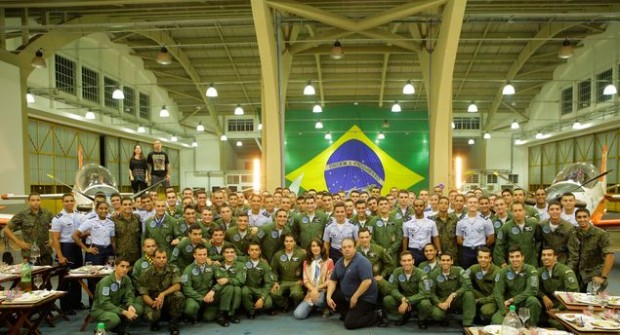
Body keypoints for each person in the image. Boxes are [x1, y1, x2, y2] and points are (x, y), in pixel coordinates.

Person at [326, 238, 385, 329]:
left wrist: (355, 296)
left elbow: (367, 282)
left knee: (350, 324)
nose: (347, 249)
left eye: (349, 246)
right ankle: (350, 314)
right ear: (341, 250)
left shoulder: (362, 261)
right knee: (331, 295)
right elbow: (333, 280)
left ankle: (376, 315)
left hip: (364, 298)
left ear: (355, 248)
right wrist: (328, 297)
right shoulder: (339, 262)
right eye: (344, 247)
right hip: (348, 296)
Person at [137, 248, 185, 335]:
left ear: (167, 258)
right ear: (153, 259)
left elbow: (177, 286)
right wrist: (153, 303)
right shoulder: (146, 273)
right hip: (154, 300)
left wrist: (162, 294)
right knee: (151, 317)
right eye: (158, 257)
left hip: (168, 298)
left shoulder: (173, 269)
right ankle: (156, 321)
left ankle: (174, 324)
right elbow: (144, 293)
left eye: (164, 257)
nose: (161, 260)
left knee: (178, 295)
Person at [51, 193, 84, 314]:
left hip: (77, 247)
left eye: (71, 200)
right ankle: (65, 307)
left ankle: (76, 303)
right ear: (62, 202)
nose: (69, 203)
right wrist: (60, 255)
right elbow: (55, 238)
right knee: (65, 278)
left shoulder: (79, 215)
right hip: (65, 248)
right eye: (66, 201)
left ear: (74, 201)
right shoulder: (58, 218)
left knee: (77, 276)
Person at [491, 246, 541, 326]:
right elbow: (498, 293)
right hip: (508, 306)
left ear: (522, 257)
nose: (515, 259)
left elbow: (532, 290)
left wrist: (513, 300)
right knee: (497, 322)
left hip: (524, 305)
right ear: (509, 258)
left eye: (517, 256)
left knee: (533, 300)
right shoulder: (503, 272)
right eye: (512, 257)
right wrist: (504, 310)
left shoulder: (531, 270)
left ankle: (530, 328)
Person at [567, 208, 614, 292]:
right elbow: (572, 255)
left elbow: (610, 256)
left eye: (585, 217)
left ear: (589, 218)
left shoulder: (601, 234)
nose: (582, 219)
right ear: (576, 219)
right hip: (580, 270)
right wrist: (568, 272)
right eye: (579, 217)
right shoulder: (573, 233)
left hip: (596, 270)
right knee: (575, 297)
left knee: (596, 299)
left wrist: (603, 277)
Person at [91, 257, 142, 335]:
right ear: (115, 266)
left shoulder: (126, 279)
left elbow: (129, 295)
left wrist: (130, 305)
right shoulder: (106, 281)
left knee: (137, 309)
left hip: (116, 306)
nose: (125, 269)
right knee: (114, 319)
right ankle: (98, 331)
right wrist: (124, 312)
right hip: (101, 308)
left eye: (127, 267)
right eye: (122, 266)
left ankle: (120, 330)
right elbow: (104, 303)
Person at [383, 251, 433, 328]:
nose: (407, 263)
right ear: (400, 262)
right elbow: (392, 288)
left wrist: (408, 301)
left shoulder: (421, 273)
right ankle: (403, 315)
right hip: (404, 297)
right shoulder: (397, 271)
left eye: (409, 260)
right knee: (388, 299)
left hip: (418, 299)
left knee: (425, 303)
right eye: (404, 261)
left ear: (413, 261)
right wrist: (402, 298)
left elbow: (425, 293)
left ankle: (422, 319)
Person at [3, 192, 54, 265]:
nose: (35, 202)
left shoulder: (47, 213)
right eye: (33, 200)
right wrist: (19, 243)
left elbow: (58, 226)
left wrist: (52, 239)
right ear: (28, 201)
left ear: (40, 201)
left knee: (47, 275)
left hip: (45, 253)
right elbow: (6, 229)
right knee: (30, 275)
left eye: (38, 200)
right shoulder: (22, 214)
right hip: (29, 254)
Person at [181, 244, 225, 324]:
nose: (202, 257)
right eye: (199, 254)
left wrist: (213, 291)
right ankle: (194, 315)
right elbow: (187, 289)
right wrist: (201, 298)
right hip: (195, 297)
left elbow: (222, 280)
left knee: (208, 318)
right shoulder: (188, 269)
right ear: (194, 255)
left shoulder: (212, 266)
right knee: (191, 308)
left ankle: (210, 313)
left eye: (204, 254)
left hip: (209, 297)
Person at [428, 253, 476, 327]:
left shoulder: (459, 270)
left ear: (452, 261)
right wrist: (438, 303)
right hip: (442, 300)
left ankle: (467, 324)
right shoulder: (434, 274)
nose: (445, 262)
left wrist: (454, 294)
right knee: (436, 315)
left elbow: (468, 285)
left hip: (456, 299)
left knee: (469, 294)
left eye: (448, 260)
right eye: (443, 260)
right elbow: (431, 292)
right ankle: (444, 317)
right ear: (439, 262)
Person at [537, 246, 579, 329]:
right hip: (548, 305)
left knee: (560, 324)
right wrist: (543, 296)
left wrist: (559, 309)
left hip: (563, 305)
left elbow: (572, 293)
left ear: (555, 257)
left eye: (549, 255)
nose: (546, 257)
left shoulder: (565, 271)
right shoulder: (540, 271)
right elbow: (533, 287)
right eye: (543, 255)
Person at [293, 238, 335, 319]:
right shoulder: (306, 262)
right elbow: (305, 280)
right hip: (311, 291)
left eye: (318, 246)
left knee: (319, 300)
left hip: (323, 290)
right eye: (313, 246)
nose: (315, 248)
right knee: (298, 315)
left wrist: (316, 288)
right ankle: (314, 307)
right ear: (310, 248)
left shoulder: (329, 261)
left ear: (321, 247)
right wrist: (313, 290)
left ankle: (324, 307)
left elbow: (329, 281)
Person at [494, 202, 540, 267]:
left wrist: (536, 252)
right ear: (511, 212)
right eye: (515, 211)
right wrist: (502, 262)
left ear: (524, 211)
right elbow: (499, 245)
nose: (518, 213)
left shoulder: (533, 224)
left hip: (531, 261)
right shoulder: (506, 227)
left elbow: (539, 240)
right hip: (513, 262)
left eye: (520, 210)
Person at [456, 196, 494, 269]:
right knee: (467, 273)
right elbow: (459, 240)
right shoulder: (461, 220)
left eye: (475, 202)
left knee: (481, 272)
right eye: (470, 202)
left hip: (481, 251)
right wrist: (468, 245)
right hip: (466, 252)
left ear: (478, 205)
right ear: (466, 204)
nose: (472, 204)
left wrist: (482, 247)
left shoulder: (486, 220)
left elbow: (491, 238)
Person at [270, 234, 305, 313]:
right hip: (283, 281)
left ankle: (298, 307)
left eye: (291, 241)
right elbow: (273, 270)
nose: (289, 243)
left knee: (297, 295)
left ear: (295, 243)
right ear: (283, 243)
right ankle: (285, 304)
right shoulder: (278, 255)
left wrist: (302, 280)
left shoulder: (301, 254)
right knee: (274, 294)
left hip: (296, 282)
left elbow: (306, 269)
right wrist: (275, 282)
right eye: (287, 241)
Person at [402, 199, 441, 266]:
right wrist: (405, 252)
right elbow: (405, 238)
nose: (418, 208)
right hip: (413, 251)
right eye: (416, 206)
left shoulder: (431, 221)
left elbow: (435, 237)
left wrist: (439, 252)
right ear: (413, 207)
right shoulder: (407, 222)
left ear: (424, 207)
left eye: (421, 206)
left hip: (427, 251)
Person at [213, 245, 246, 325]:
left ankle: (232, 314)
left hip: (234, 292)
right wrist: (231, 281)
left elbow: (241, 281)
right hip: (221, 292)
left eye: (232, 252)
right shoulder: (218, 266)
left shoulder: (241, 265)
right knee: (230, 288)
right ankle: (221, 314)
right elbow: (220, 281)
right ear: (223, 254)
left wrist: (228, 280)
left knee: (237, 289)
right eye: (227, 252)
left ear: (235, 254)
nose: (229, 254)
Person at [242, 242, 275, 319]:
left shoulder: (264, 265)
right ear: (248, 251)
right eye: (252, 250)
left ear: (260, 251)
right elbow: (228, 258)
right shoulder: (243, 260)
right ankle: (251, 310)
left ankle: (257, 306)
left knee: (268, 304)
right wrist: (212, 261)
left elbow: (268, 283)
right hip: (247, 287)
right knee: (244, 292)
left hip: (259, 289)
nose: (254, 252)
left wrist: (262, 298)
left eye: (256, 250)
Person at [466, 247, 500, 323]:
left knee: (486, 311)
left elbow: (497, 294)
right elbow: (463, 279)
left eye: (486, 257)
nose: (483, 259)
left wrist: (480, 301)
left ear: (490, 259)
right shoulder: (474, 268)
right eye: (481, 257)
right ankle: (470, 317)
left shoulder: (497, 272)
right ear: (477, 258)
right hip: (481, 295)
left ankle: (487, 317)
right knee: (467, 291)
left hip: (494, 299)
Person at [112, 197, 142, 265]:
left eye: (129, 204)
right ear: (121, 206)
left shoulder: (137, 218)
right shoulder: (114, 219)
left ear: (132, 205)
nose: (128, 206)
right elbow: (112, 237)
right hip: (120, 255)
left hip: (135, 255)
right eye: (125, 204)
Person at [432, 196, 459, 263]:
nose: (443, 205)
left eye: (445, 203)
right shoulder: (432, 220)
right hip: (437, 252)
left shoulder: (455, 219)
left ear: (448, 205)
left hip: (452, 252)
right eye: (441, 203)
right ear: (438, 205)